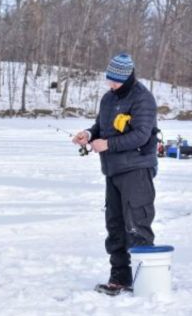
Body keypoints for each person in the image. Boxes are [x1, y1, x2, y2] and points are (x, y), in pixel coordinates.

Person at [72, 53, 158, 296]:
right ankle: (119, 278)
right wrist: (88, 135)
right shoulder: (108, 99)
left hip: (137, 170)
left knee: (137, 224)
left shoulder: (143, 99)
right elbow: (100, 127)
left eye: (115, 81)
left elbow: (141, 135)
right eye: (109, 80)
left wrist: (108, 145)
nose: (111, 85)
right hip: (113, 171)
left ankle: (146, 282)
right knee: (115, 225)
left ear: (127, 77)